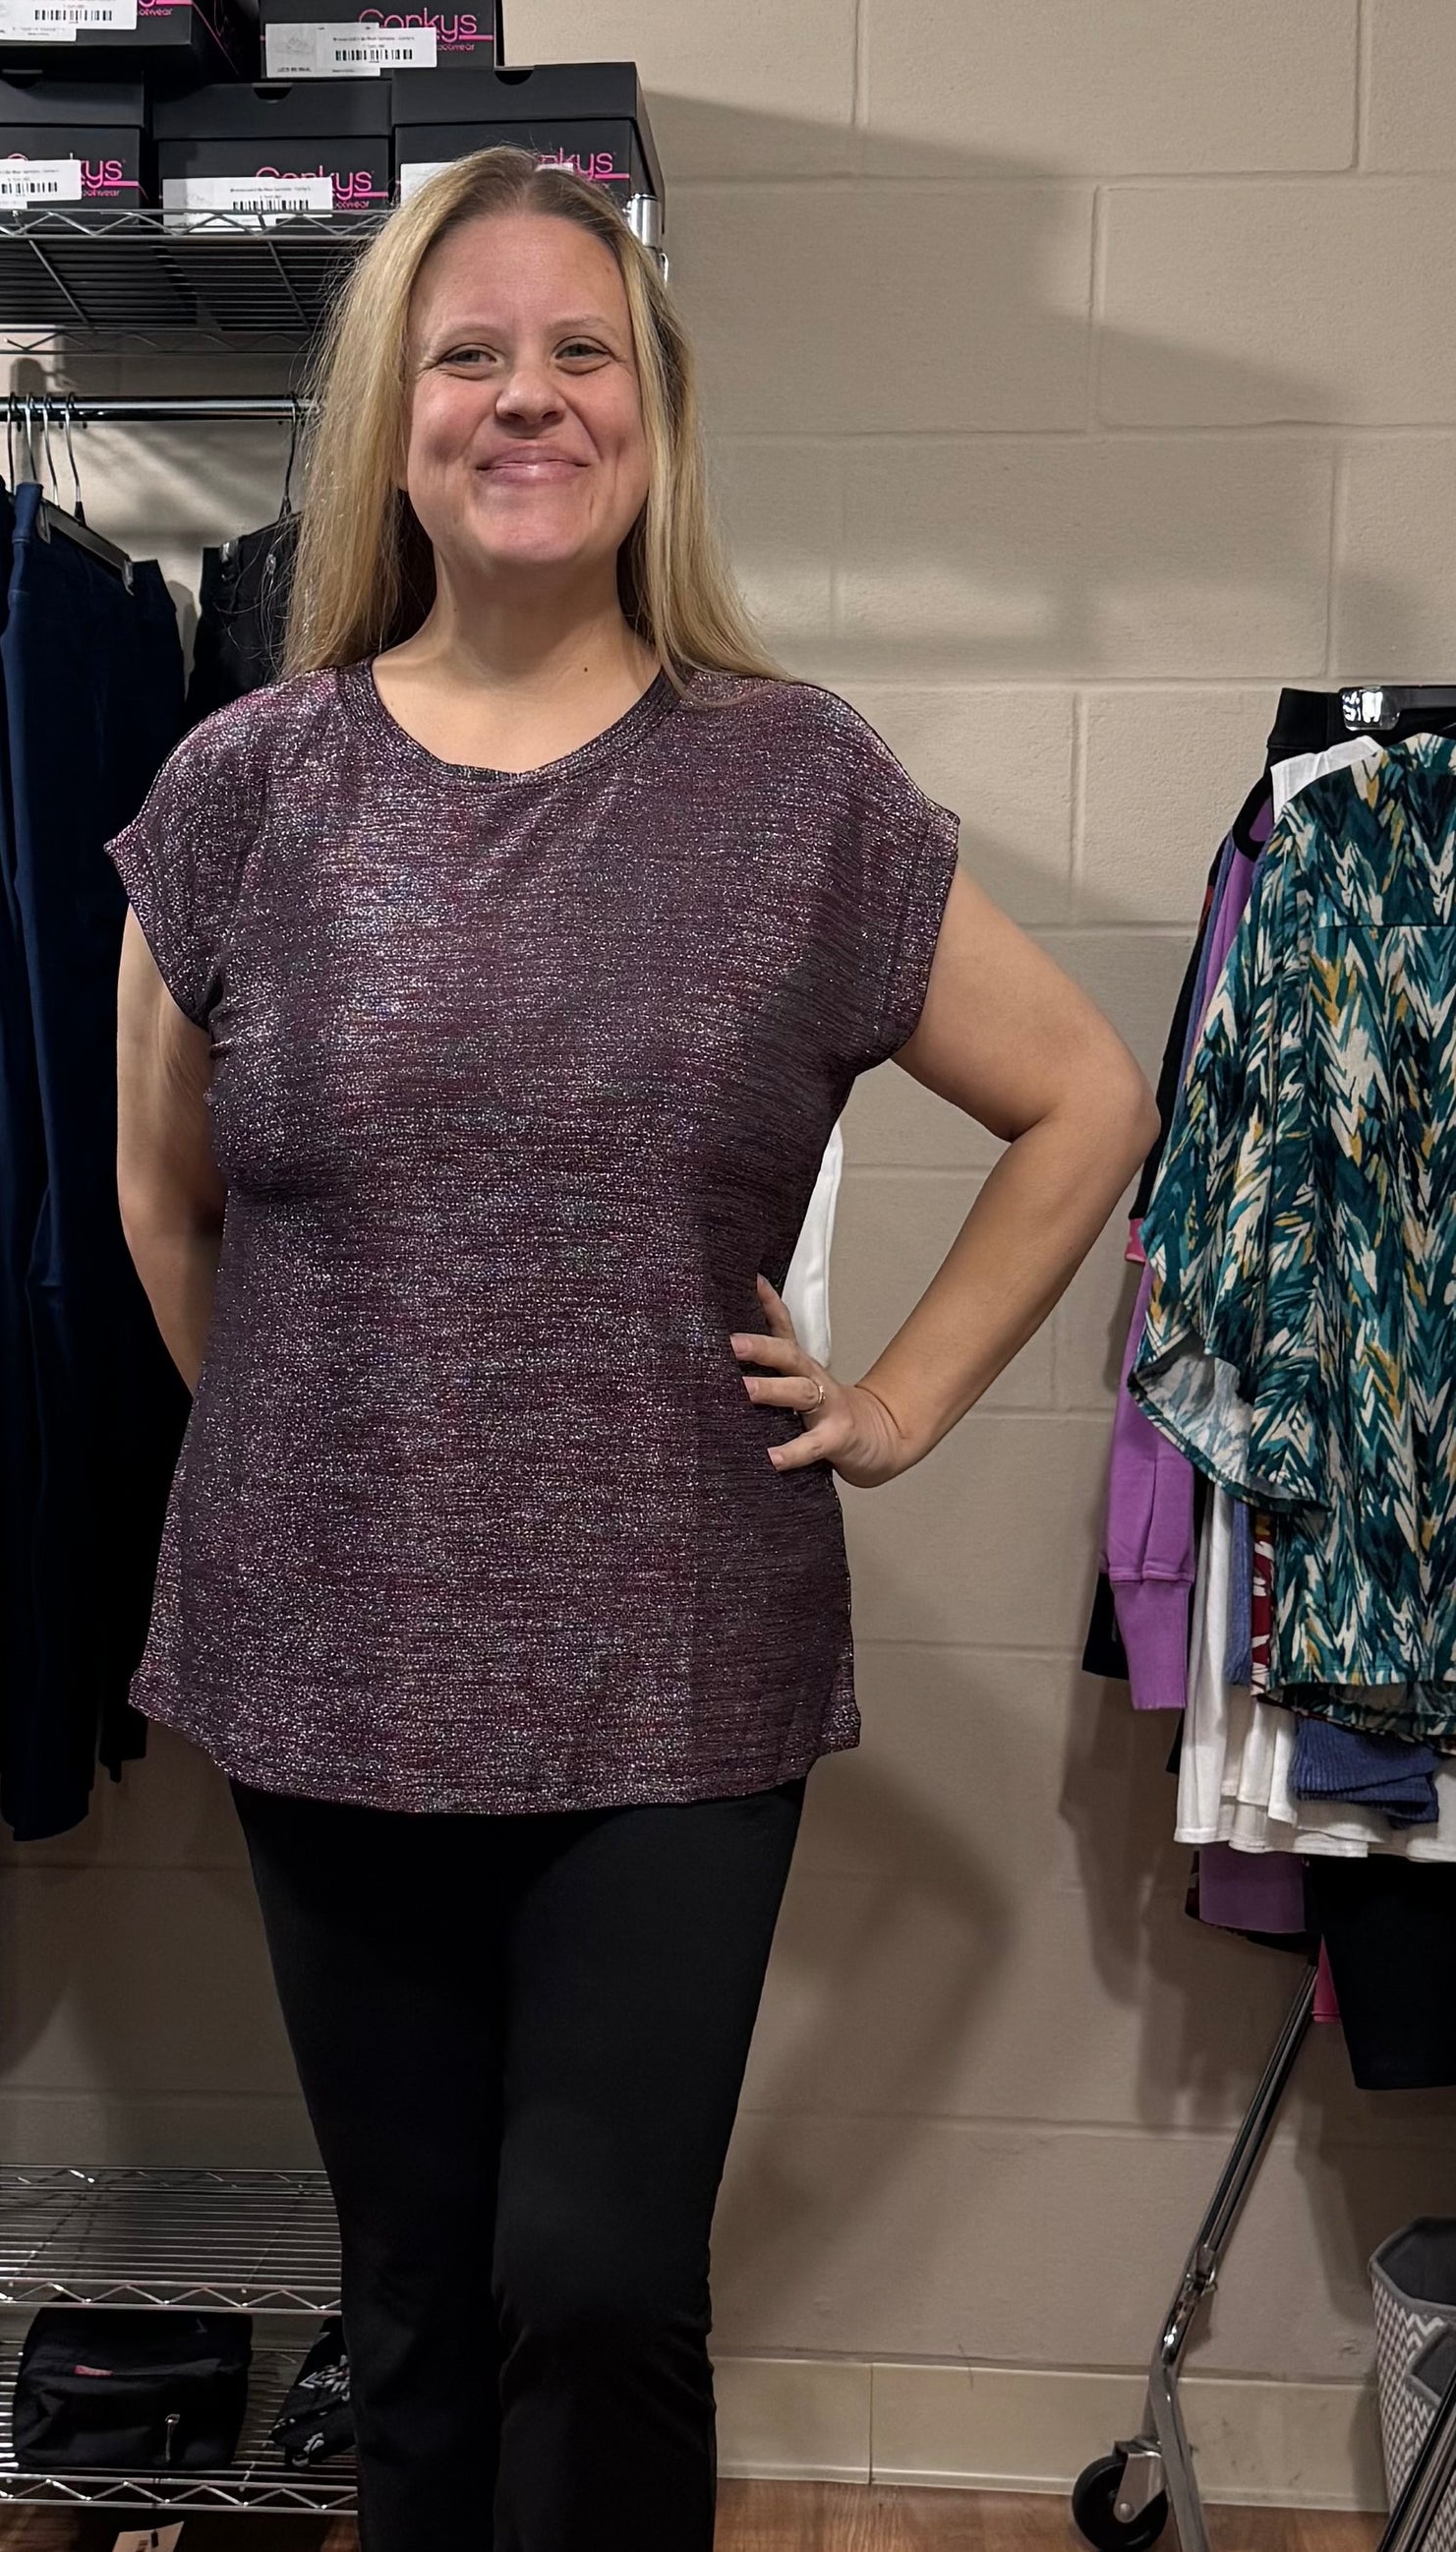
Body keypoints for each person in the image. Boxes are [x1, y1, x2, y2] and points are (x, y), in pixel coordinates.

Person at [109, 147, 1157, 2552]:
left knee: (586, 2279)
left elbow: (1084, 1095)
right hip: (325, 1653)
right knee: (407, 2294)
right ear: (390, 424)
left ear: (652, 416)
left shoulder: (793, 787)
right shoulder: (242, 789)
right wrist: (311, 1449)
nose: (527, 396)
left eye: (580, 350)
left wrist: (893, 1399)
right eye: (467, 353)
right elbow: (164, 1204)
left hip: (670, 1658)